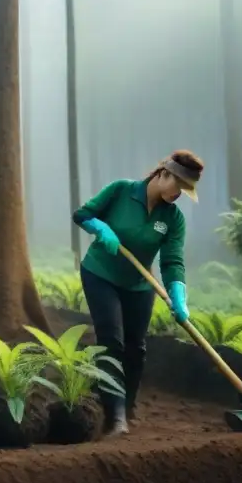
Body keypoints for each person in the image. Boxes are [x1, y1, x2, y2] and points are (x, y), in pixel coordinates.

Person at [72, 150, 203, 438]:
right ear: (163, 174)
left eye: (185, 191)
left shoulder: (173, 218)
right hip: (101, 274)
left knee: (136, 348)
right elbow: (81, 214)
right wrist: (99, 226)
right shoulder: (121, 191)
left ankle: (127, 407)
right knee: (112, 342)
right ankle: (115, 416)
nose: (179, 194)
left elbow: (172, 261)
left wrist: (178, 294)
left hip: (140, 285)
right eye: (177, 186)